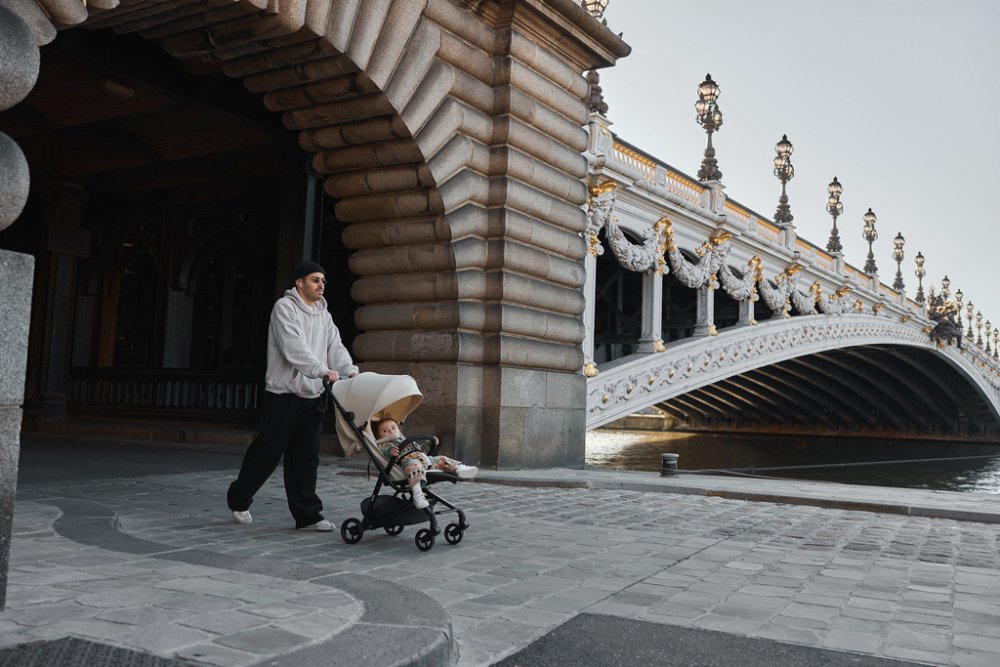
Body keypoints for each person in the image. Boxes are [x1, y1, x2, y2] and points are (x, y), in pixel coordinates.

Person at [227, 261, 358, 530]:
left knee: (306, 458)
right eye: (315, 280)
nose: (321, 285)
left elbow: (335, 346)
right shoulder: (284, 308)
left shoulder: (324, 314)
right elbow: (293, 348)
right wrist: (322, 370)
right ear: (299, 283)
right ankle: (239, 497)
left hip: (313, 394)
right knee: (268, 453)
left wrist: (349, 370)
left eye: (323, 280)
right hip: (283, 394)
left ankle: (307, 515)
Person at [373, 418, 477, 509]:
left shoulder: (407, 441)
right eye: (385, 430)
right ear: (379, 436)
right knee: (414, 466)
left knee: (441, 459)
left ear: (398, 430)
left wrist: (429, 442)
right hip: (408, 462)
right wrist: (390, 451)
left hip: (425, 460)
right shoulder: (384, 445)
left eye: (393, 428)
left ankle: (460, 469)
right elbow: (384, 451)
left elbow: (422, 450)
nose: (391, 431)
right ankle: (417, 494)